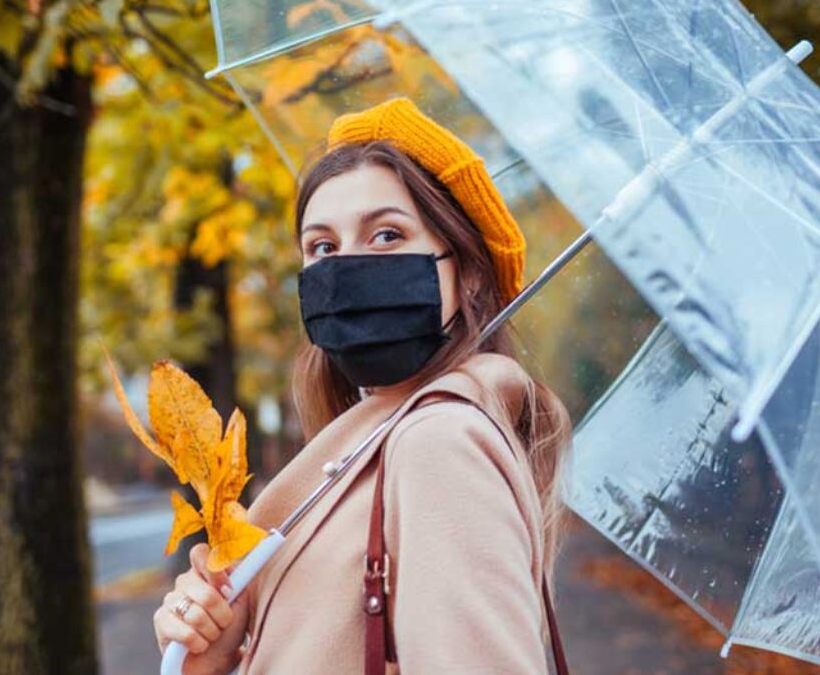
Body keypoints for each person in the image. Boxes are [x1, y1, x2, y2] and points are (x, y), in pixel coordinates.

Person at [153, 97, 572, 674]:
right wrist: (221, 655)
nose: (348, 269)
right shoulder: (368, 447)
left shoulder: (440, 445)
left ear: (469, 275)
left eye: (386, 236)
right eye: (323, 247)